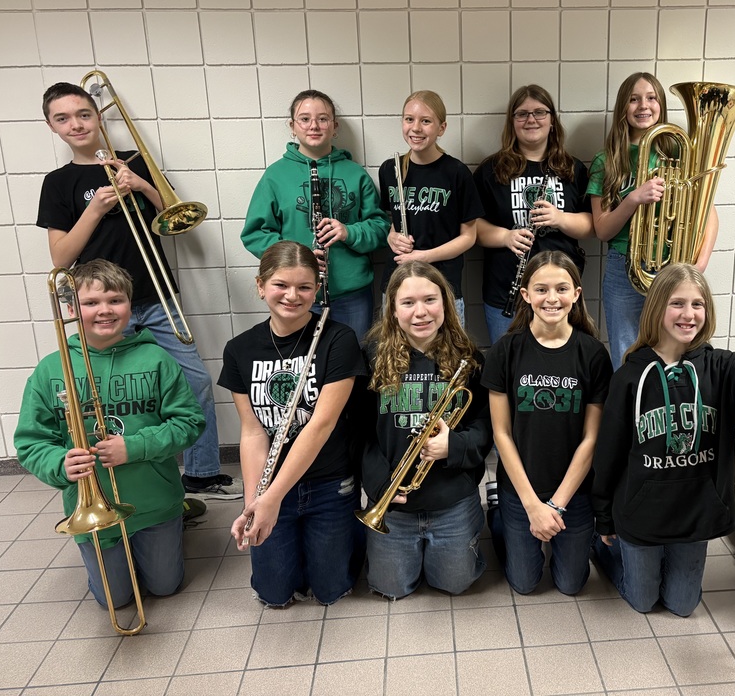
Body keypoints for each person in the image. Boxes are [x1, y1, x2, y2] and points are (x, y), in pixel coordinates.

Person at [37, 82, 240, 500]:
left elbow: (177, 215)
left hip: (156, 296)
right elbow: (61, 256)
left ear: (97, 115)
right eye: (63, 118)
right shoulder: (58, 183)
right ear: (52, 127)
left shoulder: (132, 162)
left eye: (83, 114)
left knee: (196, 382)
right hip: (105, 306)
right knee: (123, 395)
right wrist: (95, 210)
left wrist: (143, 185)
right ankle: (135, 481)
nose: (75, 124)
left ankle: (201, 475)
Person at [591, 258, 735, 616]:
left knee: (682, 606)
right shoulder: (629, 375)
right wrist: (603, 516)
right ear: (657, 308)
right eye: (677, 303)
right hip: (642, 513)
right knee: (642, 602)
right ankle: (608, 552)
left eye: (697, 304)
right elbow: (609, 451)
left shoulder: (723, 367)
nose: (688, 314)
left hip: (695, 513)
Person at [14, 260, 206, 609]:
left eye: (115, 300)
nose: (104, 310)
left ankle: (175, 527)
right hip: (91, 507)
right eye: (91, 303)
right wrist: (59, 462)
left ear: (130, 306)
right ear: (72, 309)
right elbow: (31, 442)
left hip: (154, 503)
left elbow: (190, 423)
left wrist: (134, 447)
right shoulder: (49, 370)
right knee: (114, 601)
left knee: (165, 586)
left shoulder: (157, 359)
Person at [221, 241, 367, 607]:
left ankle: (350, 533)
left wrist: (271, 498)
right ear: (260, 286)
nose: (292, 296)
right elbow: (253, 433)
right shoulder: (239, 349)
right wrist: (254, 502)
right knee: (274, 593)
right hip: (271, 488)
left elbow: (321, 425)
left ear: (317, 289)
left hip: (329, 482)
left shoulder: (338, 339)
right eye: (281, 285)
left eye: (305, 287)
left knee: (330, 589)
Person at [357, 262, 492, 599]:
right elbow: (359, 434)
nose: (421, 312)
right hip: (394, 506)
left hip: (451, 500)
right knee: (390, 587)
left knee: (456, 584)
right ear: (392, 308)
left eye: (430, 300)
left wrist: (454, 446)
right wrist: (379, 484)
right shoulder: (370, 357)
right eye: (408, 303)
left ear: (445, 303)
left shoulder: (469, 359)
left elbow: (484, 426)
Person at [482, 251, 612, 594]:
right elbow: (501, 434)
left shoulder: (593, 354)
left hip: (573, 491)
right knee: (524, 583)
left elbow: (591, 440)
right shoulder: (505, 351)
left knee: (571, 584)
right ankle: (497, 513)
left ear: (576, 294)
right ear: (525, 295)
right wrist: (531, 505)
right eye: (541, 289)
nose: (551, 298)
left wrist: (554, 506)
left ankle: (580, 535)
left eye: (561, 289)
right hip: (520, 489)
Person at [587, 73, 719, 370]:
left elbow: (707, 212)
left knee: (677, 350)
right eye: (633, 99)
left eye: (651, 98)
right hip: (625, 267)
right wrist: (633, 198)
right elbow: (602, 229)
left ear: (661, 105)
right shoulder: (606, 160)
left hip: (673, 267)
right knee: (626, 352)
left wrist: (698, 266)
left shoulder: (678, 153)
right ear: (623, 107)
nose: (642, 105)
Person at [241, 89, 390, 342]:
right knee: (304, 367)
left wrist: (349, 232)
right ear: (292, 126)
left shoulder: (355, 174)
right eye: (305, 119)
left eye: (323, 119)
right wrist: (296, 257)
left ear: (335, 126)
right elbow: (255, 234)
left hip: (351, 295)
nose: (314, 126)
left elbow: (380, 228)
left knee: (354, 364)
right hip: (296, 295)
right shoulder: (275, 176)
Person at [474, 85, 593, 344]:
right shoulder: (491, 170)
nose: (531, 119)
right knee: (507, 370)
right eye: (522, 114)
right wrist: (505, 236)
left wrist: (559, 218)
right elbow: (474, 227)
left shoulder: (572, 168)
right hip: (505, 291)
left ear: (552, 121)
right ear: (512, 122)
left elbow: (591, 225)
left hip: (560, 295)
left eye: (540, 112)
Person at [379, 90, 483, 326]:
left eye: (426, 121)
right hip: (398, 284)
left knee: (447, 357)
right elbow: (394, 221)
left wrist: (424, 257)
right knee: (397, 356)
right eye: (409, 119)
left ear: (441, 128)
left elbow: (469, 237)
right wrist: (392, 237)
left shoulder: (456, 173)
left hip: (443, 285)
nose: (416, 128)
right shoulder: (389, 169)